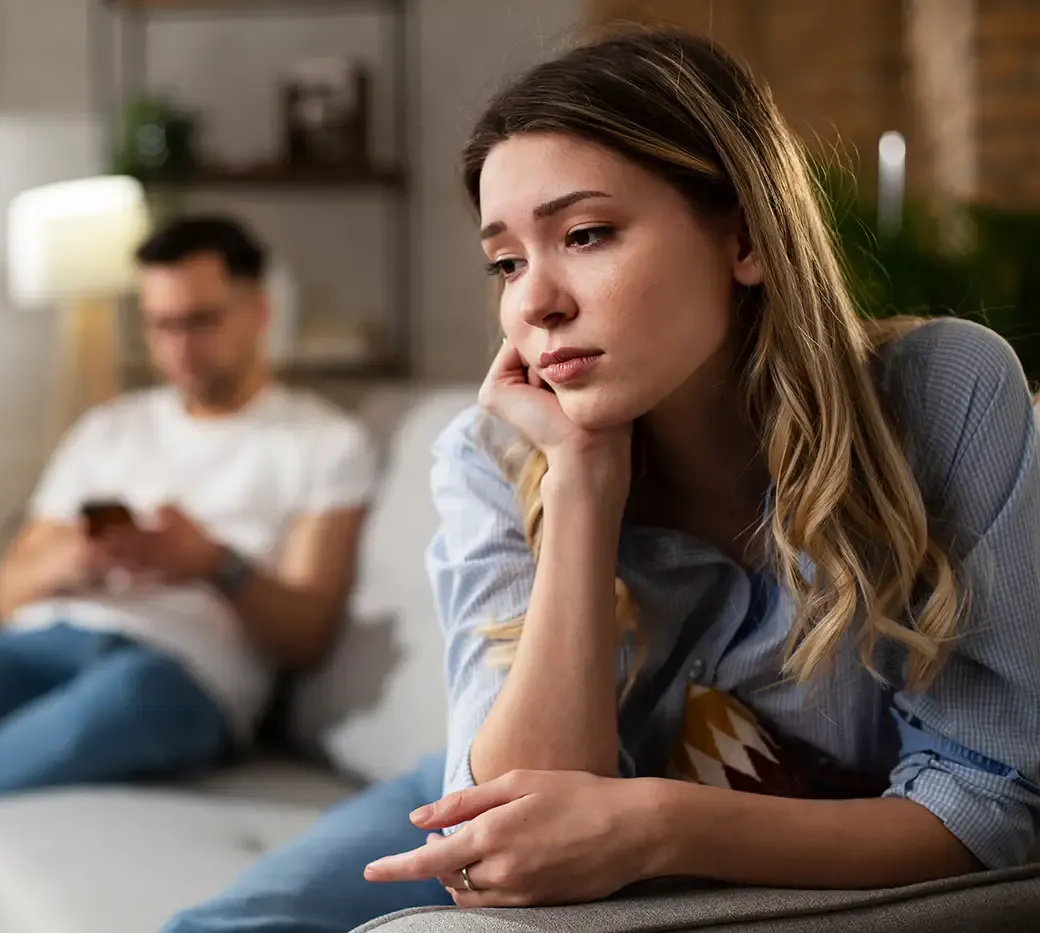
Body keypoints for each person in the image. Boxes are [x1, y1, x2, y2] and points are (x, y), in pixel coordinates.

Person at [166, 26, 1040, 931]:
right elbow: (511, 821)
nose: (534, 302)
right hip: (470, 781)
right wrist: (583, 478)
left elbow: (989, 804)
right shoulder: (493, 453)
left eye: (584, 234)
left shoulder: (945, 395)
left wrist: (660, 825)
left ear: (744, 238)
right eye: (507, 261)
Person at [0, 215, 378, 933]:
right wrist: (72, 557)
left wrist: (212, 563)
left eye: (200, 320)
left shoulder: (323, 442)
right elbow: (5, 595)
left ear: (259, 310)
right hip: (47, 638)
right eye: (161, 325)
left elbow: (308, 632)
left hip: (182, 672)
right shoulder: (109, 430)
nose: (179, 346)